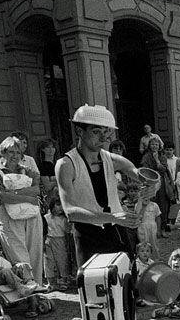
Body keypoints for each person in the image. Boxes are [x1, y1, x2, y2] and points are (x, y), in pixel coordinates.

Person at [55, 104, 155, 265]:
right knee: (94, 286)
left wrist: (151, 187)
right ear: (80, 131)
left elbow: (142, 175)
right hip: (88, 235)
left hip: (117, 232)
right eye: (96, 132)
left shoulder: (111, 159)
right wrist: (112, 217)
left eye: (106, 132)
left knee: (127, 283)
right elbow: (71, 212)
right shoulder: (66, 164)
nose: (103, 138)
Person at [0, 136, 45, 286]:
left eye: (18, 152)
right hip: (9, 217)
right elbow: (0, 196)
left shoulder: (29, 170)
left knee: (35, 254)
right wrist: (25, 195)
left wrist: (13, 193)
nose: (14, 156)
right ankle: (28, 291)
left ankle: (37, 289)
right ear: (3, 152)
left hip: (32, 215)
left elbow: (36, 190)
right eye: (10, 151)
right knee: (19, 257)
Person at [43, 197, 71, 291]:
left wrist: (68, 244)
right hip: (49, 239)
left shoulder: (65, 219)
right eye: (58, 205)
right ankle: (51, 282)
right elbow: (44, 231)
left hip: (61, 240)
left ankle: (64, 281)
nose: (60, 208)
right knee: (48, 261)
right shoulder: (47, 217)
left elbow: (67, 233)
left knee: (62, 260)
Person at [137, 196, 162, 260]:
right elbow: (138, 217)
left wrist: (159, 230)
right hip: (142, 227)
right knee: (144, 243)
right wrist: (143, 206)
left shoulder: (154, 205)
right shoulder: (137, 205)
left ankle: (155, 259)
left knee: (154, 244)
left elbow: (158, 217)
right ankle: (144, 259)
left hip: (153, 227)